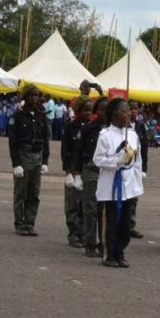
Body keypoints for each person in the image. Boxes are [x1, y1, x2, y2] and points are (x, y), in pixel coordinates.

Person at [93, 97, 144, 268]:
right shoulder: (105, 136)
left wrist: (136, 180)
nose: (129, 114)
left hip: (127, 184)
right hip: (111, 183)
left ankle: (120, 251)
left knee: (124, 222)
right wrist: (117, 161)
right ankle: (109, 253)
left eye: (129, 110)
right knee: (111, 220)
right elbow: (98, 160)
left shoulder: (133, 135)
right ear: (114, 114)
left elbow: (137, 160)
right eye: (124, 110)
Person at [8, 84, 50, 236]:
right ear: (25, 97)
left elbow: (45, 139)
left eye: (37, 95)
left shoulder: (41, 115)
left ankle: (30, 223)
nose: (35, 98)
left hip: (37, 156)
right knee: (20, 192)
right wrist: (16, 164)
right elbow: (12, 142)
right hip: (23, 155)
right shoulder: (17, 116)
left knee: (34, 192)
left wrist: (45, 160)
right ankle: (19, 223)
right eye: (32, 95)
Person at [79, 96, 108, 258]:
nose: (103, 112)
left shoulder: (113, 130)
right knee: (90, 209)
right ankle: (89, 242)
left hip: (107, 171)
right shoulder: (88, 129)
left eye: (106, 109)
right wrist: (75, 173)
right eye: (101, 109)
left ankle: (103, 243)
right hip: (91, 170)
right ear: (96, 111)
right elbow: (79, 151)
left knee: (104, 210)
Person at [61, 98, 91, 248]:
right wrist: (68, 172)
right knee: (72, 203)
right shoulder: (70, 127)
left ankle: (84, 234)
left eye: (90, 110)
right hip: (73, 168)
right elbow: (65, 150)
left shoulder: (92, 128)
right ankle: (73, 233)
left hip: (86, 168)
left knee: (85, 204)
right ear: (78, 110)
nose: (88, 113)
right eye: (85, 110)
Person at [128, 100, 149, 239]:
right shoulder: (123, 126)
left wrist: (144, 168)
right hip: (125, 165)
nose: (133, 111)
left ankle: (131, 225)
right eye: (131, 108)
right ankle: (122, 225)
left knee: (134, 197)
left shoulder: (141, 126)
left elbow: (144, 149)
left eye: (136, 109)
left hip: (136, 166)